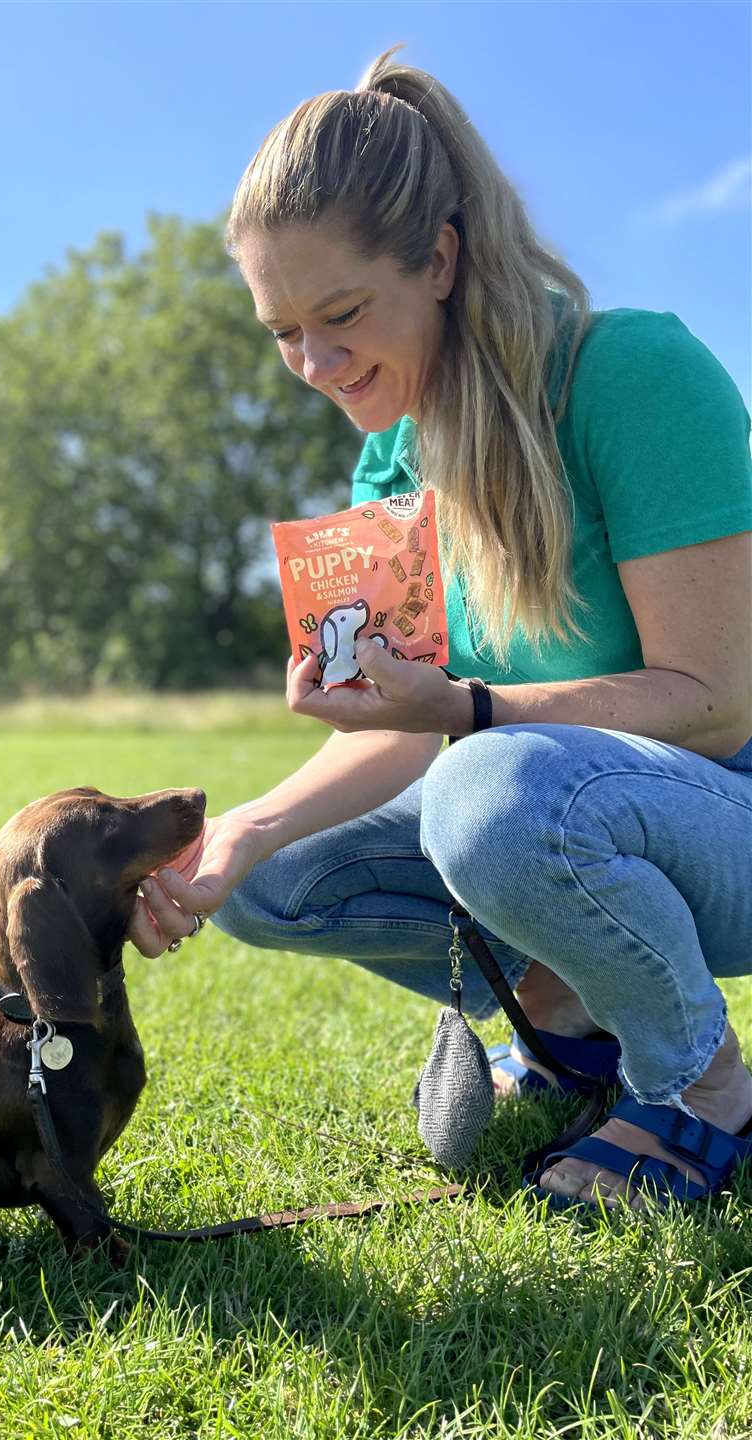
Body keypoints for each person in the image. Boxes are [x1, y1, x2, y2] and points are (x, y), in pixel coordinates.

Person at [128, 49, 752, 1210]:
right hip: (571, 804)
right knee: (275, 880)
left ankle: (704, 1092)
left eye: (343, 314)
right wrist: (241, 835)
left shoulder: (633, 373)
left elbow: (715, 702)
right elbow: (411, 729)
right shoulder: (395, 455)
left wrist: (468, 712)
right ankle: (573, 1031)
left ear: (443, 259)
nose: (315, 365)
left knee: (494, 790)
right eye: (281, 332)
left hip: (731, 814)